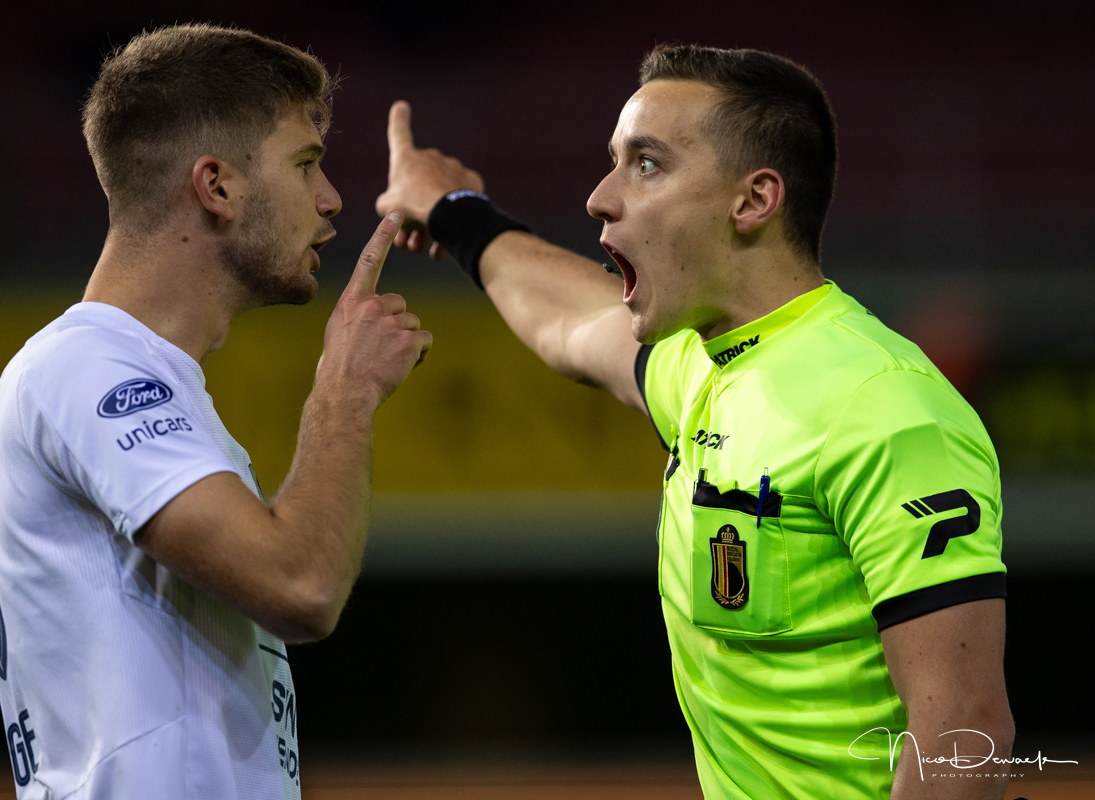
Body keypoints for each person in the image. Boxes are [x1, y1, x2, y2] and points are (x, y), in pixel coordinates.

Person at [377, 45, 1013, 799]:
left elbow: (965, 733)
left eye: (646, 163)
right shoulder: (701, 366)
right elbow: (566, 315)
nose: (600, 196)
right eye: (614, 160)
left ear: (754, 200)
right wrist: (454, 212)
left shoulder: (888, 409)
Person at [0, 24, 430, 799]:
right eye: (305, 163)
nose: (330, 198)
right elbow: (302, 587)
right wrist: (344, 390)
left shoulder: (142, 380)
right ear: (216, 185)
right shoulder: (88, 367)